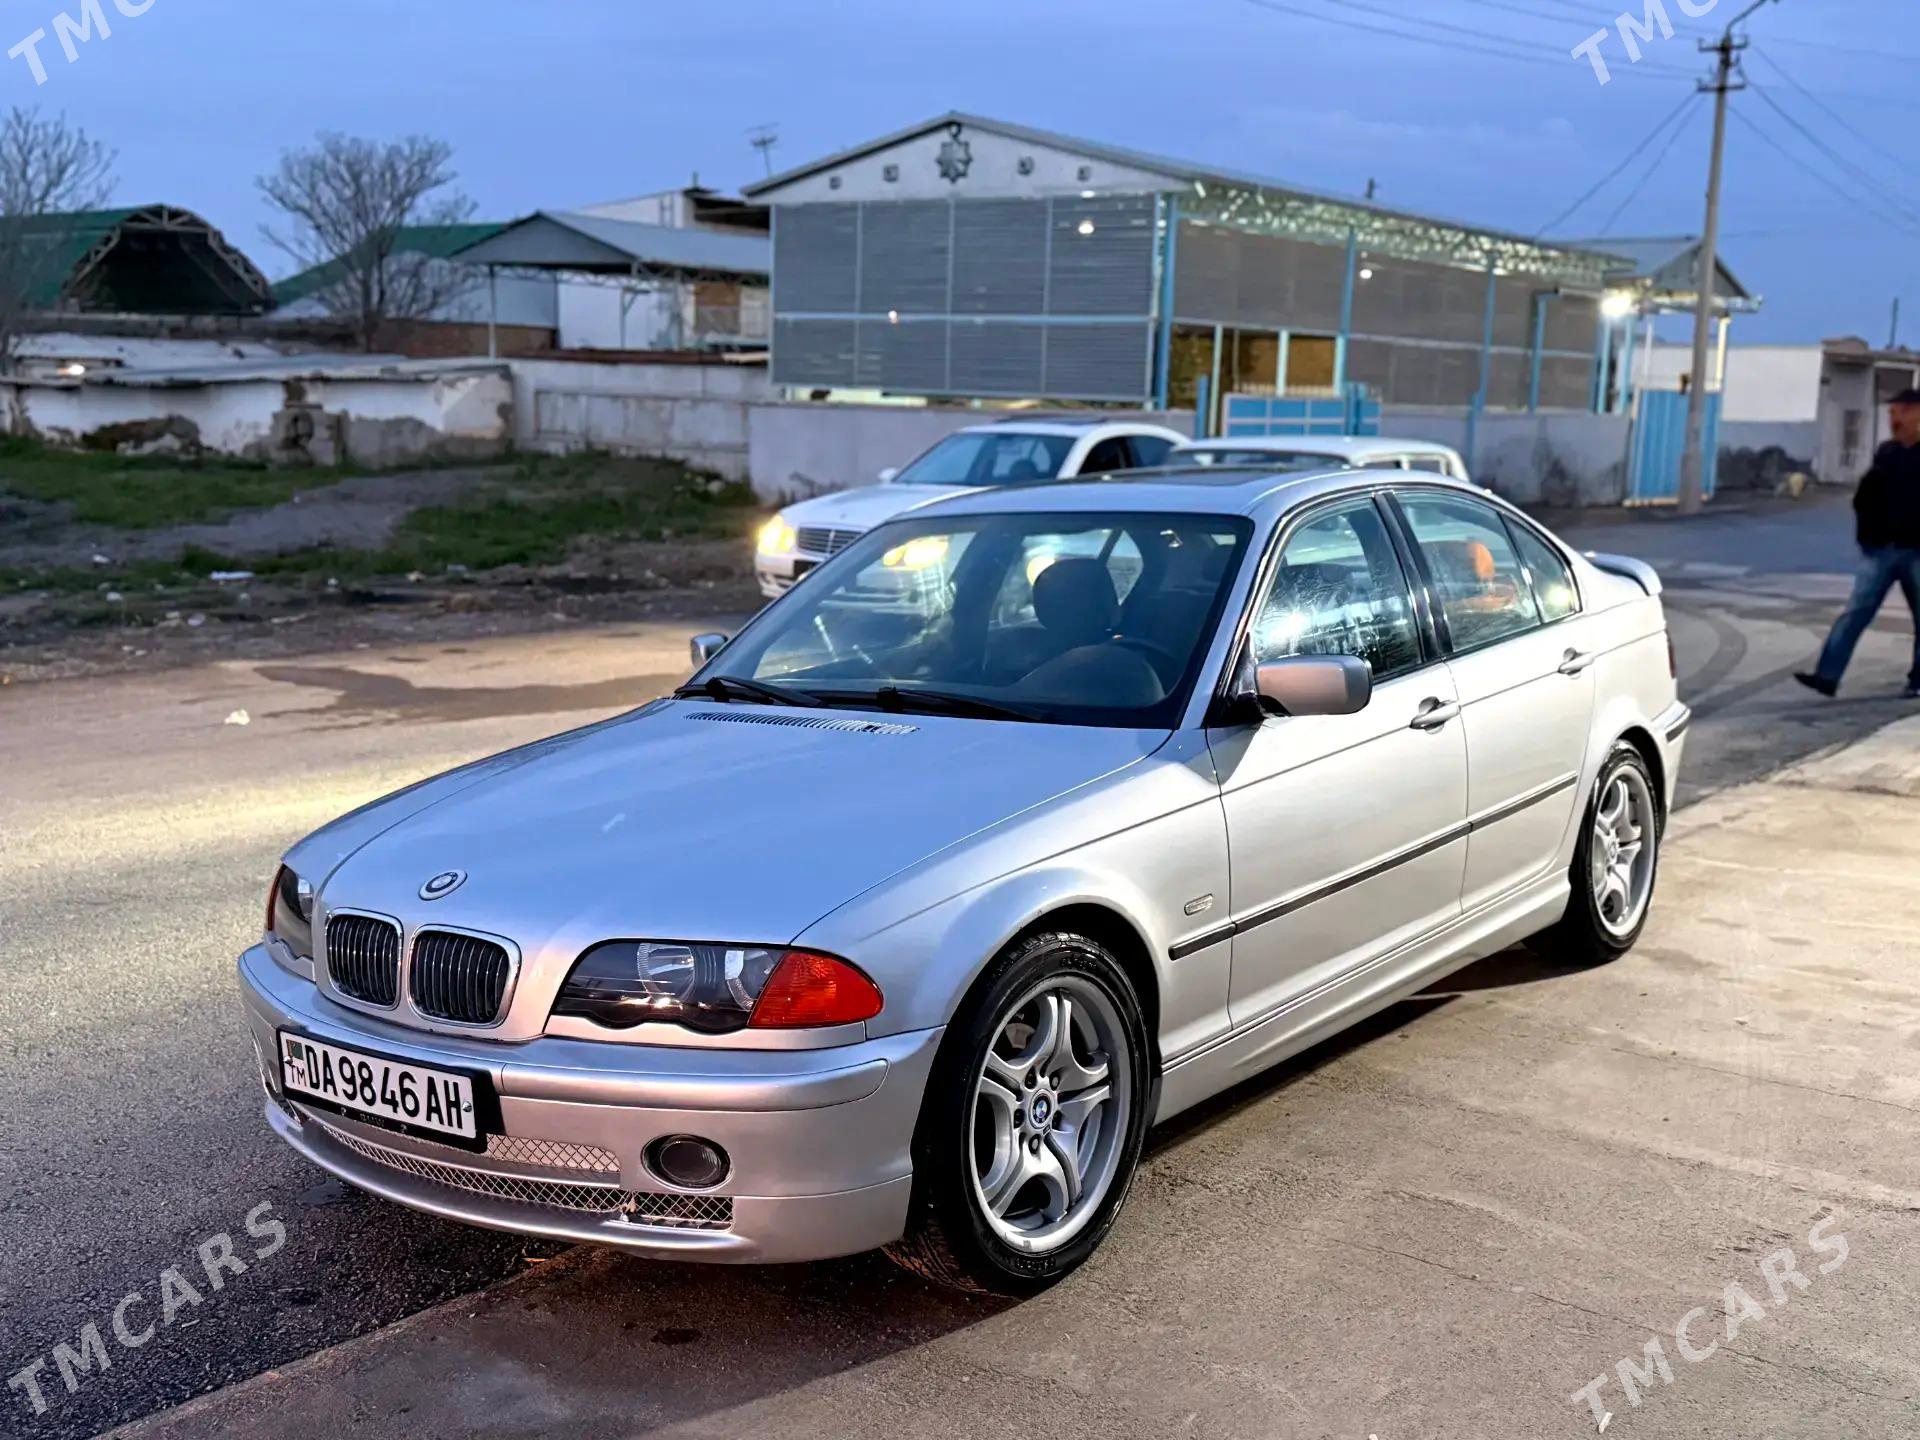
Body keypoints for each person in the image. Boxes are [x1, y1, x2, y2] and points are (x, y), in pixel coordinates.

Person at [1795, 388, 1920, 700]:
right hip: (1881, 549)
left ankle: (1918, 681)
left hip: (1917, 551)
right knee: (1855, 612)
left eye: (1897, 413)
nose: (1892, 419)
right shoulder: (1887, 452)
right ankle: (1827, 677)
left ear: (1916, 413)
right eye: (1890, 414)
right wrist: (1867, 534)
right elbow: (1866, 496)